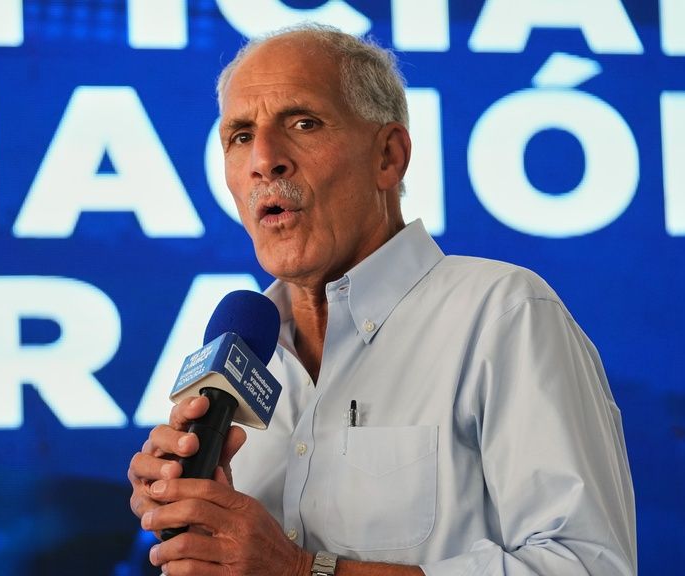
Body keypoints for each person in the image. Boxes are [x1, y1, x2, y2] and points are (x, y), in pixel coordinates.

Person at [128, 23, 636, 576]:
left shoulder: (502, 315)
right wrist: (203, 523)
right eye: (241, 136)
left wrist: (304, 571)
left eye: (303, 123)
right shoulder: (246, 355)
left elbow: (587, 566)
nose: (264, 159)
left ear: (388, 157)